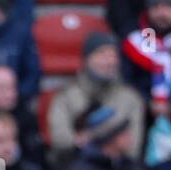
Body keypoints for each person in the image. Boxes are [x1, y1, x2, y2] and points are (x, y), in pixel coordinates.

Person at [48, 32, 146, 163]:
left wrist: (101, 144)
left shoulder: (131, 99)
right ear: (86, 59)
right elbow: (59, 140)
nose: (109, 61)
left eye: (113, 55)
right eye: (101, 53)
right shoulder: (66, 96)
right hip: (77, 167)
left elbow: (133, 148)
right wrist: (84, 142)